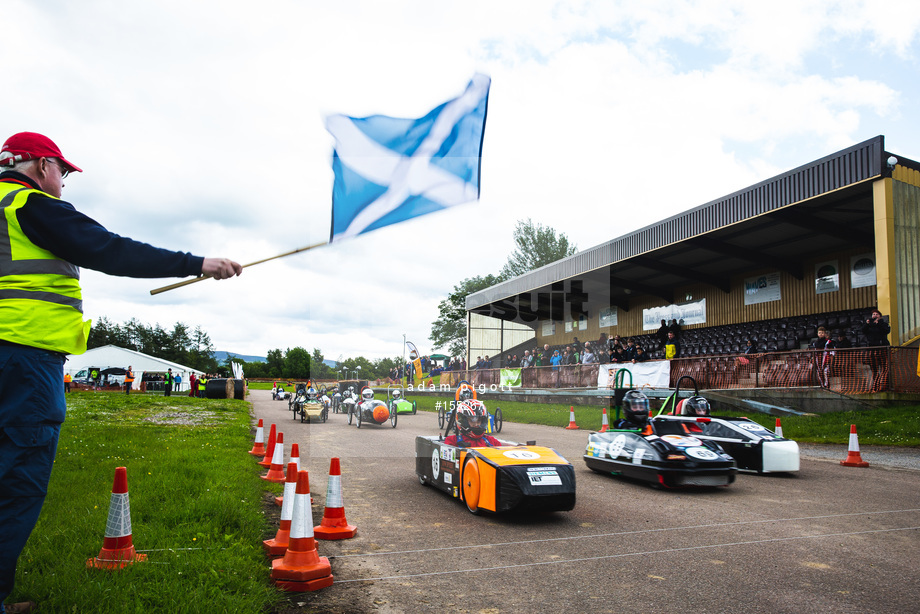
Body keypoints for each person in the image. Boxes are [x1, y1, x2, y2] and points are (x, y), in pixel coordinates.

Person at [0, 131, 242, 613]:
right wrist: (197, 263)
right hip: (23, 359)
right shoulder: (28, 204)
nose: (64, 183)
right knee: (17, 483)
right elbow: (109, 249)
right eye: (63, 173)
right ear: (42, 166)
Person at [862, 308, 891, 391]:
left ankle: (884, 385)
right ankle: (875, 385)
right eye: (873, 314)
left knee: (884, 368)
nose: (874, 316)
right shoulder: (869, 325)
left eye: (876, 314)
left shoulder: (883, 324)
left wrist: (878, 324)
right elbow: (863, 330)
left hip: (882, 348)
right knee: (874, 368)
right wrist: (867, 324)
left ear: (880, 316)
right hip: (872, 349)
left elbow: (886, 331)